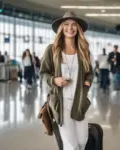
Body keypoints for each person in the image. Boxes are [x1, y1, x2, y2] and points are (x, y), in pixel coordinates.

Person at [40, 11, 94, 150]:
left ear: (78, 28)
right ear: (61, 28)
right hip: (60, 102)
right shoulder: (52, 50)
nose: (70, 28)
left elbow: (89, 73)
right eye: (66, 24)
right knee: (71, 145)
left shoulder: (84, 50)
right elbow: (43, 73)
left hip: (79, 101)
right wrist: (54, 80)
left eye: (73, 25)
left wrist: (86, 86)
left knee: (82, 141)